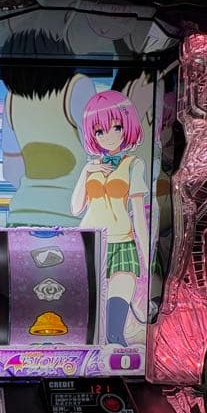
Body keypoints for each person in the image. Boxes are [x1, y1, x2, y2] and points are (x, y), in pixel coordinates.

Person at [70, 88, 149, 346]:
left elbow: (139, 215)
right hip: (90, 243)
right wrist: (87, 171)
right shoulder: (91, 167)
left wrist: (147, 258)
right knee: (89, 318)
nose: (109, 136)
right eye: (99, 131)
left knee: (114, 328)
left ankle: (115, 358)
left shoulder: (134, 164)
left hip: (122, 242)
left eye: (116, 127)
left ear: (127, 125)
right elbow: (75, 208)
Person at [0, 30, 94, 227]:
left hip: (21, 216)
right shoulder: (78, 86)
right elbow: (97, 155)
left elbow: (10, 171)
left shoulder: (10, 99)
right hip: (72, 219)